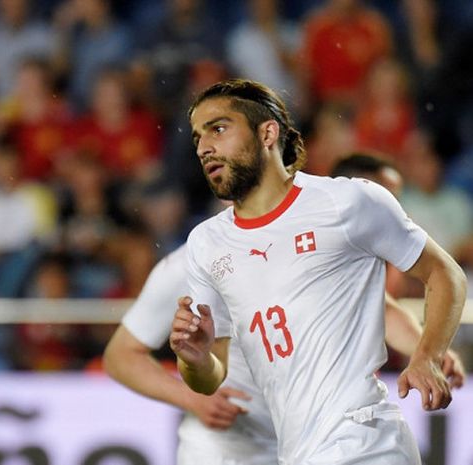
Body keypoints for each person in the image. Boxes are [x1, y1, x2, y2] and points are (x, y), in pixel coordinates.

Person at [170, 78, 466, 464]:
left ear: (267, 133)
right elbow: (211, 377)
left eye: (219, 129)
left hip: (364, 438)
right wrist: (194, 358)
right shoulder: (207, 243)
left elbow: (445, 274)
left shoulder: (344, 201)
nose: (204, 147)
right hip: (296, 451)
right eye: (197, 139)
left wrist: (427, 354)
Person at [103, 155, 465, 465]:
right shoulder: (193, 262)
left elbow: (383, 312)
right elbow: (121, 356)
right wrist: (191, 398)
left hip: (308, 442)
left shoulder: (314, 250)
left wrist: (428, 350)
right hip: (228, 445)